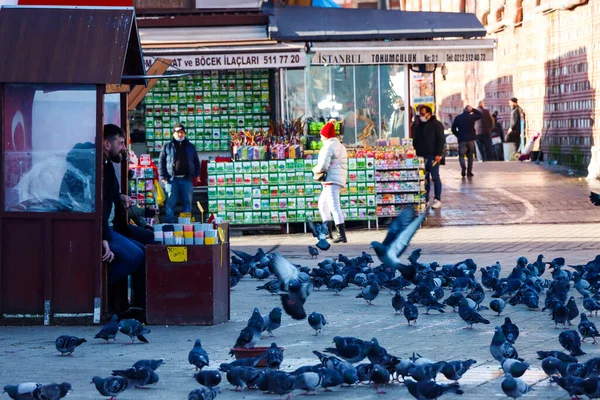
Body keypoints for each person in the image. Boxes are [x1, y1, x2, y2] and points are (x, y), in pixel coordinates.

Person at [102, 124, 153, 315]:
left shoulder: (107, 165)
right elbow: (99, 207)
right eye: (121, 143)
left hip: (112, 226)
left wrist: (120, 197)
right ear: (107, 144)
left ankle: (138, 306)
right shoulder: (101, 167)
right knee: (135, 256)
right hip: (105, 229)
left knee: (146, 248)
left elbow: (109, 197)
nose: (124, 148)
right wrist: (104, 238)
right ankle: (100, 289)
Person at [312, 120, 348, 243]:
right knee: (322, 204)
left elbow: (323, 166)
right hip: (336, 179)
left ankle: (341, 235)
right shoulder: (340, 146)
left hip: (331, 180)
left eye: (322, 135)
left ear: (325, 135)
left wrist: (314, 169)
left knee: (333, 206)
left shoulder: (327, 146)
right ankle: (327, 233)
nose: (321, 137)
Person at [159, 123, 201, 223]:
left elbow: (196, 160)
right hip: (171, 179)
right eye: (178, 133)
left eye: (182, 132)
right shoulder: (167, 146)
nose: (180, 135)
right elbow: (161, 161)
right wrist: (162, 176)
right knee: (170, 203)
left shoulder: (190, 146)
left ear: (184, 134)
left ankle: (185, 223)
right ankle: (170, 223)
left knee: (187, 203)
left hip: (186, 179)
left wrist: (197, 174)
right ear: (173, 134)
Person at [413, 105, 445, 209]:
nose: (421, 116)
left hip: (433, 155)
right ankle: (425, 199)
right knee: (424, 178)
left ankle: (437, 199)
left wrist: (439, 154)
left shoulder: (437, 125)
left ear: (429, 114)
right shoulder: (419, 125)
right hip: (421, 155)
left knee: (435, 177)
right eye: (419, 114)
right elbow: (415, 140)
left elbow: (441, 140)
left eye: (422, 114)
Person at [451, 105, 482, 178]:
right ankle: (469, 172)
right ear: (470, 111)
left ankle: (463, 167)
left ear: (463, 110)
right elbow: (480, 115)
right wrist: (473, 109)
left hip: (462, 139)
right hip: (471, 139)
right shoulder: (472, 117)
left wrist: (458, 135)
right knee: (470, 156)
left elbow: (453, 128)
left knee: (461, 155)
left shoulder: (458, 118)